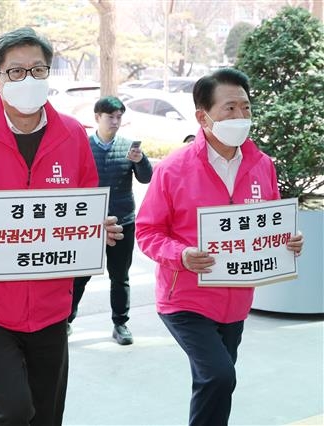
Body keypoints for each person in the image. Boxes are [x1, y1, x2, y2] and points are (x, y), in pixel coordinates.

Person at [0, 27, 123, 425]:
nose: (28, 80)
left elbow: (82, 206)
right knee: (12, 410)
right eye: (16, 72)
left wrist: (96, 228)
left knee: (47, 414)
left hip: (52, 304)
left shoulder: (71, 135)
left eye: (38, 69)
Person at [135, 68, 304, 426]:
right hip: (186, 300)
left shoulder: (263, 166)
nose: (241, 116)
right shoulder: (173, 169)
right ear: (203, 116)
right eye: (230, 108)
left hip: (237, 300)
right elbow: (148, 232)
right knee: (219, 375)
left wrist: (287, 242)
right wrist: (180, 255)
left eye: (245, 107)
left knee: (215, 382)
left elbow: (269, 223)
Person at [69, 96, 152, 344]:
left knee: (120, 276)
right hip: (89, 224)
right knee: (80, 276)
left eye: (119, 117)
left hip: (123, 221)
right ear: (97, 117)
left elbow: (147, 178)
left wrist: (141, 161)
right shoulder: (82, 146)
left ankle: (121, 324)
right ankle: (66, 320)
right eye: (110, 117)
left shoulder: (129, 148)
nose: (115, 122)